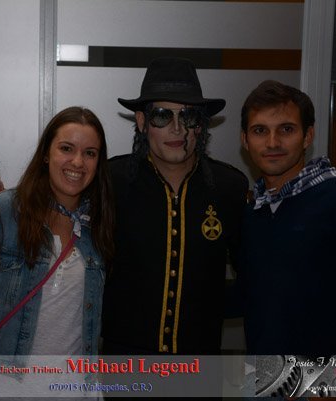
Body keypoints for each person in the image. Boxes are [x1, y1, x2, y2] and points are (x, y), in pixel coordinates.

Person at [238, 80, 336, 357]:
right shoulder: (256, 210)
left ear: (307, 136)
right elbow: (259, 294)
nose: (272, 142)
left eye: (286, 129)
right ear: (245, 140)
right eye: (260, 130)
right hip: (268, 372)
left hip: (329, 376)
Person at [102, 57, 249, 355]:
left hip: (200, 362)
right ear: (142, 122)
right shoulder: (110, 182)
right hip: (125, 363)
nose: (177, 128)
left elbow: (253, 277)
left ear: (201, 125)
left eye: (189, 116)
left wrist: (208, 307)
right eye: (161, 116)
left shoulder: (229, 187)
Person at [0, 106, 113, 397]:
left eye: (90, 153)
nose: (78, 162)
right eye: (66, 148)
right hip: (5, 386)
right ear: (46, 153)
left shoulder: (100, 223)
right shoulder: (6, 211)